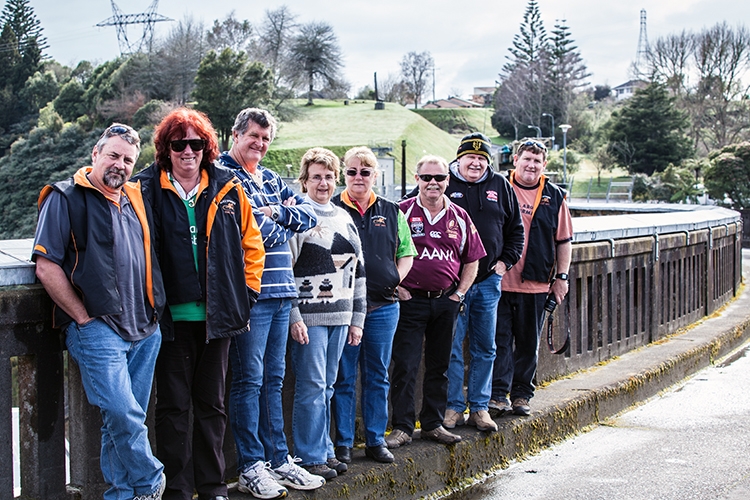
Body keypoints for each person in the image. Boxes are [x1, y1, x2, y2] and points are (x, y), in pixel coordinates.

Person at [134, 109, 265, 500]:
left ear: (206, 147)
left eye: (195, 143)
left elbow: (252, 243)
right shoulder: (145, 189)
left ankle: (211, 488)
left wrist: (248, 293)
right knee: (172, 407)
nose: (187, 151)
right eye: (179, 144)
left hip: (217, 318)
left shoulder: (228, 186)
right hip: (168, 318)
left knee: (212, 405)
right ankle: (175, 489)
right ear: (166, 149)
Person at [32, 123, 167, 500]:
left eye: (128, 159)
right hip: (98, 329)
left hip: (144, 328)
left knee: (120, 422)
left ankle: (122, 495)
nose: (120, 165)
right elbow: (46, 265)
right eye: (113, 155)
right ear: (95, 153)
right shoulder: (65, 196)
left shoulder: (134, 198)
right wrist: (82, 318)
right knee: (124, 414)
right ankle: (151, 478)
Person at [216, 108, 323, 499]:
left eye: (265, 138)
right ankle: (250, 466)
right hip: (251, 295)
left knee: (274, 380)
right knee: (248, 381)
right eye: (253, 136)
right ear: (236, 134)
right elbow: (250, 230)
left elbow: (308, 213)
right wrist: (277, 222)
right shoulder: (223, 175)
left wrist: (276, 211)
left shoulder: (272, 178)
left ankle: (278, 458)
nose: (259, 144)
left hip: (282, 291)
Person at [386, 155, 486, 448]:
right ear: (416, 179)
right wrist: (397, 287)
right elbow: (383, 255)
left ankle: (433, 423)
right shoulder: (400, 212)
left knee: (440, 366)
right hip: (409, 301)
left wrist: (459, 294)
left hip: (445, 302)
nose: (433, 183)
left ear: (448, 180)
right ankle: (403, 427)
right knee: (404, 365)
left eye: (439, 178)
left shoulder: (460, 216)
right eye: (427, 177)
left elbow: (472, 259)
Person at [331, 147, 416, 465]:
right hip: (342, 306)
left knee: (378, 375)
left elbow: (406, 251)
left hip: (383, 306)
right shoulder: (333, 208)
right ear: (344, 174)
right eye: (352, 171)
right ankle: (343, 443)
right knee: (343, 376)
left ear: (375, 175)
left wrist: (396, 278)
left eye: (365, 172)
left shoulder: (393, 211)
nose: (358, 177)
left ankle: (376, 440)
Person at [287, 147, 367, 479]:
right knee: (311, 385)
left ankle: (325, 449)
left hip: (341, 315)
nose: (323, 183)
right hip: (310, 317)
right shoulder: (298, 216)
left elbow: (358, 271)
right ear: (304, 180)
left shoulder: (344, 217)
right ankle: (309, 455)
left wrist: (357, 318)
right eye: (316, 176)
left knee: (329, 385)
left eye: (329, 176)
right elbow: (284, 271)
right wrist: (294, 316)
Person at [443, 133, 524, 433]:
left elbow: (517, 230)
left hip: (489, 282)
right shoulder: (444, 182)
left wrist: (504, 264)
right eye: (470, 157)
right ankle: (453, 407)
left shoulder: (500, 185)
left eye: (481, 158)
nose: (475, 163)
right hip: (452, 284)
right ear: (459, 158)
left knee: (485, 347)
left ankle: (479, 407)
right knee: (451, 345)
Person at [489, 140, 573, 417]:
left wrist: (561, 277)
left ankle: (522, 394)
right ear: (515, 160)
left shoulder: (555, 196)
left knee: (528, 344)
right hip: (498, 281)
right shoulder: (498, 187)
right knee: (497, 341)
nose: (531, 165)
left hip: (536, 283)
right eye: (526, 159)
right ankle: (498, 395)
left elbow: (564, 241)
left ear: (544, 164)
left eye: (537, 161)